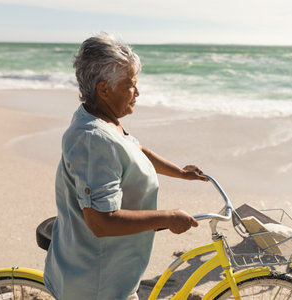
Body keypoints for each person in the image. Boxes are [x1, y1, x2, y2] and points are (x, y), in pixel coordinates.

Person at [44, 33, 208, 300]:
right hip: (97, 284)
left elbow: (135, 149)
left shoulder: (102, 119)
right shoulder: (92, 138)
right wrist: (168, 217)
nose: (137, 92)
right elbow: (101, 222)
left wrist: (180, 173)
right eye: (130, 85)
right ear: (104, 89)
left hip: (115, 272)